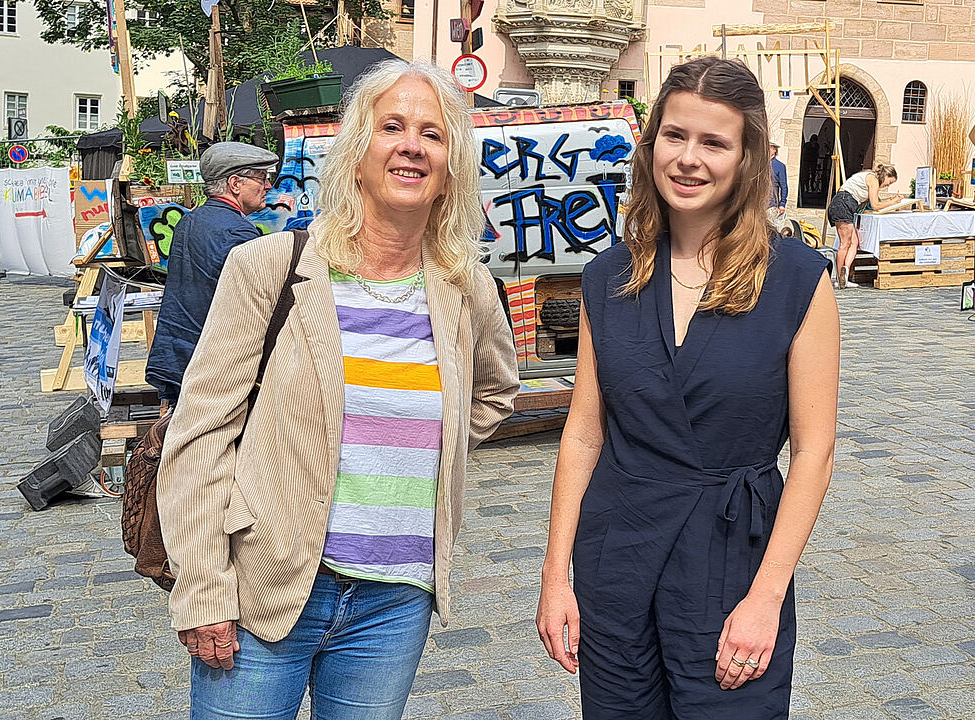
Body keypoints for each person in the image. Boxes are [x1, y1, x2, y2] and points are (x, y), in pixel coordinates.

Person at [155, 59, 520, 720]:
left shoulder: (467, 289)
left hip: (393, 605)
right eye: (392, 127)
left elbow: (494, 391)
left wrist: (420, 442)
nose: (412, 144)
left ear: (450, 170)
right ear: (356, 155)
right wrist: (203, 588)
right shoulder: (271, 267)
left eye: (432, 134)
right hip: (266, 587)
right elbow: (200, 432)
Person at [535, 56, 839, 718]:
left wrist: (766, 598)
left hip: (733, 564)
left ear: (747, 157)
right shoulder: (608, 277)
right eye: (674, 136)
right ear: (651, 147)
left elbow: (814, 452)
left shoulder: (794, 279)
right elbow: (585, 432)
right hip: (618, 554)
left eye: (713, 142)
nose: (688, 159)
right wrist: (556, 577)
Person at [144, 141, 280, 411]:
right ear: (235, 183)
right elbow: (253, 305)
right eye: (262, 178)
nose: (268, 186)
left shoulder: (189, 220)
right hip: (212, 364)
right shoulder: (238, 233)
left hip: (179, 354)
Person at [827, 164, 899, 288]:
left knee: (854, 242)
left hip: (844, 204)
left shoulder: (870, 177)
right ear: (885, 175)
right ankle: (839, 278)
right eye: (889, 182)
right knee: (845, 244)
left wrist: (889, 201)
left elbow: (874, 202)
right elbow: (875, 204)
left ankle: (845, 270)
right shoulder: (873, 179)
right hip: (843, 204)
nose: (888, 185)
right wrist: (893, 202)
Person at [768, 139, 789, 234]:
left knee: (771, 231)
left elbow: (783, 186)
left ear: (775, 150)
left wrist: (782, 203)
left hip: (771, 204)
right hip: (758, 204)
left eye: (770, 147)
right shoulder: (759, 164)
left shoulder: (779, 166)